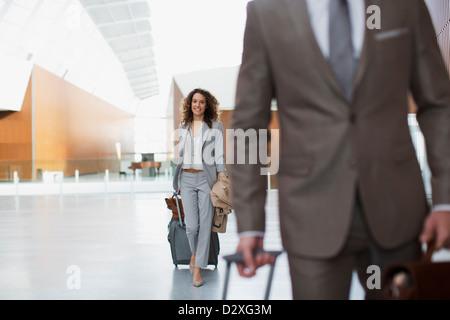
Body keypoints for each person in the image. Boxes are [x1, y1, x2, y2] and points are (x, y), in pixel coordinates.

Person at [230, 0, 450, 299]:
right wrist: (250, 223)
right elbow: (248, 126)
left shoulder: (404, 5)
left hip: (399, 211)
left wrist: (445, 201)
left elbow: (438, 104)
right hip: (310, 215)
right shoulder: (267, 11)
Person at [173, 88, 226, 287]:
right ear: (190, 104)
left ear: (207, 104)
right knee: (192, 226)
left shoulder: (215, 126)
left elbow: (219, 155)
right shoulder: (184, 125)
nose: (197, 105)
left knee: (205, 226)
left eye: (201, 101)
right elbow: (180, 155)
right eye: (194, 101)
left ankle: (197, 270)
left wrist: (222, 177)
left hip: (206, 179)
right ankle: (195, 254)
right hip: (186, 178)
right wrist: (177, 181)